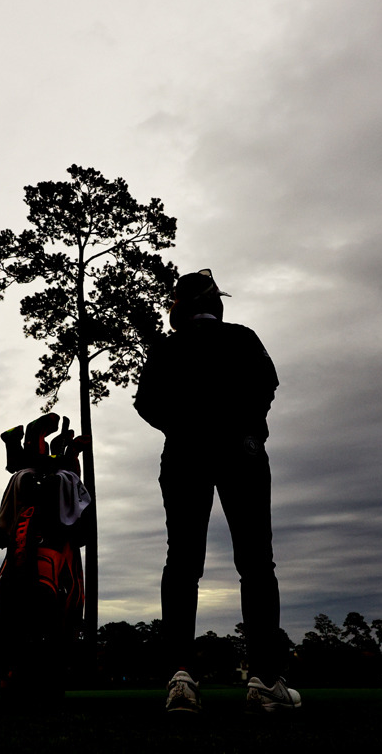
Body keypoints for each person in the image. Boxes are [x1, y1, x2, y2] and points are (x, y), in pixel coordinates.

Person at [134, 269, 300, 715]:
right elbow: (268, 384)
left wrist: (183, 427)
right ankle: (266, 680)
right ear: (215, 303)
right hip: (241, 452)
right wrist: (243, 425)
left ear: (178, 308)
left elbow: (145, 402)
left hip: (184, 455)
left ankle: (181, 679)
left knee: (183, 562)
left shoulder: (167, 348)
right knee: (256, 561)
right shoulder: (243, 338)